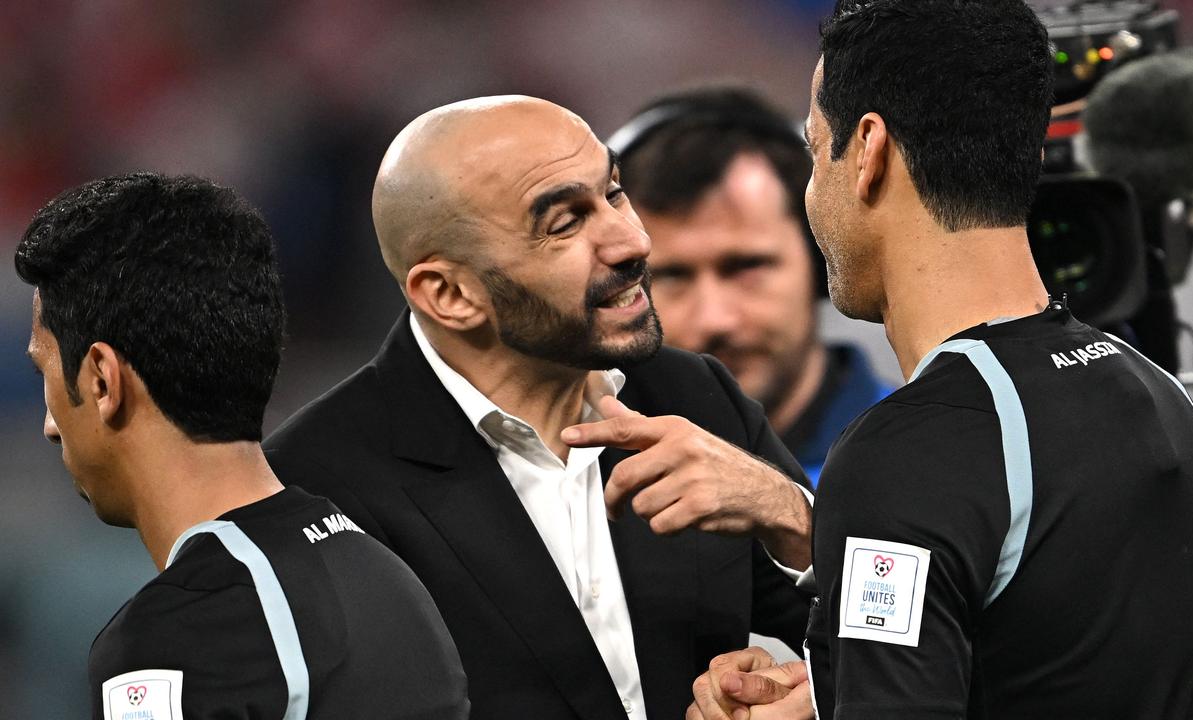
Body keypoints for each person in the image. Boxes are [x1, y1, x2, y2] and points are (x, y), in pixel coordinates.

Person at [687, 1, 1193, 718]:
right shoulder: (1165, 399)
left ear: (868, 152)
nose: (811, 196)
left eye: (813, 148)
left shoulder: (908, 453)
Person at [263, 96, 814, 720]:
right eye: (564, 224)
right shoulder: (318, 491)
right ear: (450, 294)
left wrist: (791, 520)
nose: (634, 242)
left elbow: (897, 650)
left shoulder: (693, 395)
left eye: (613, 194)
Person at [16, 173, 469, 720]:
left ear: (102, 381)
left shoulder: (179, 636)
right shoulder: (384, 574)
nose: (49, 424)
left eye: (45, 370)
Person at [610, 86, 894, 483]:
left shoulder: (927, 457)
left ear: (824, 258)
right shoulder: (579, 474)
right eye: (672, 275)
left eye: (745, 267)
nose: (715, 320)